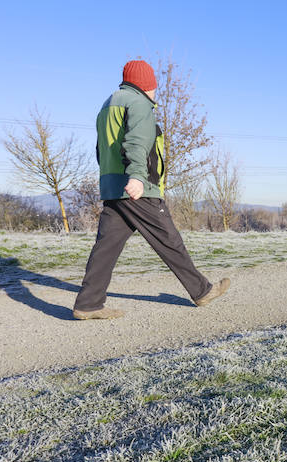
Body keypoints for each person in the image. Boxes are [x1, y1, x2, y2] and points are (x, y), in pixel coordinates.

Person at [73, 60, 229, 319]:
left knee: (105, 248)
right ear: (147, 84)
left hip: (113, 187)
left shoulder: (108, 104)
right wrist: (136, 177)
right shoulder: (139, 103)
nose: (155, 92)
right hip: (138, 188)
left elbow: (101, 149)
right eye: (154, 86)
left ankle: (87, 304)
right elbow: (137, 141)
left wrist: (113, 180)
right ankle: (202, 291)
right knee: (169, 240)